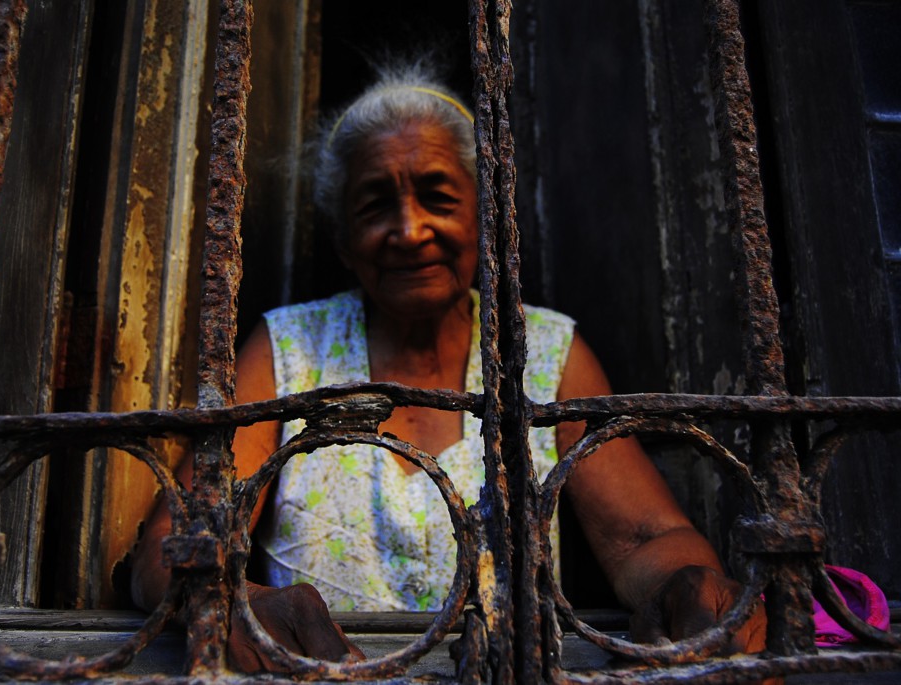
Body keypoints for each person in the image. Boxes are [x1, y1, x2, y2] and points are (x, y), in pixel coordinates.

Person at [131, 63, 767, 671]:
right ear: (345, 243)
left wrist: (689, 584)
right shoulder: (286, 348)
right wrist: (236, 602)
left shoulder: (542, 350)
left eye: (437, 196)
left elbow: (643, 538)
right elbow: (178, 541)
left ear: (484, 217)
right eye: (376, 205)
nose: (409, 231)